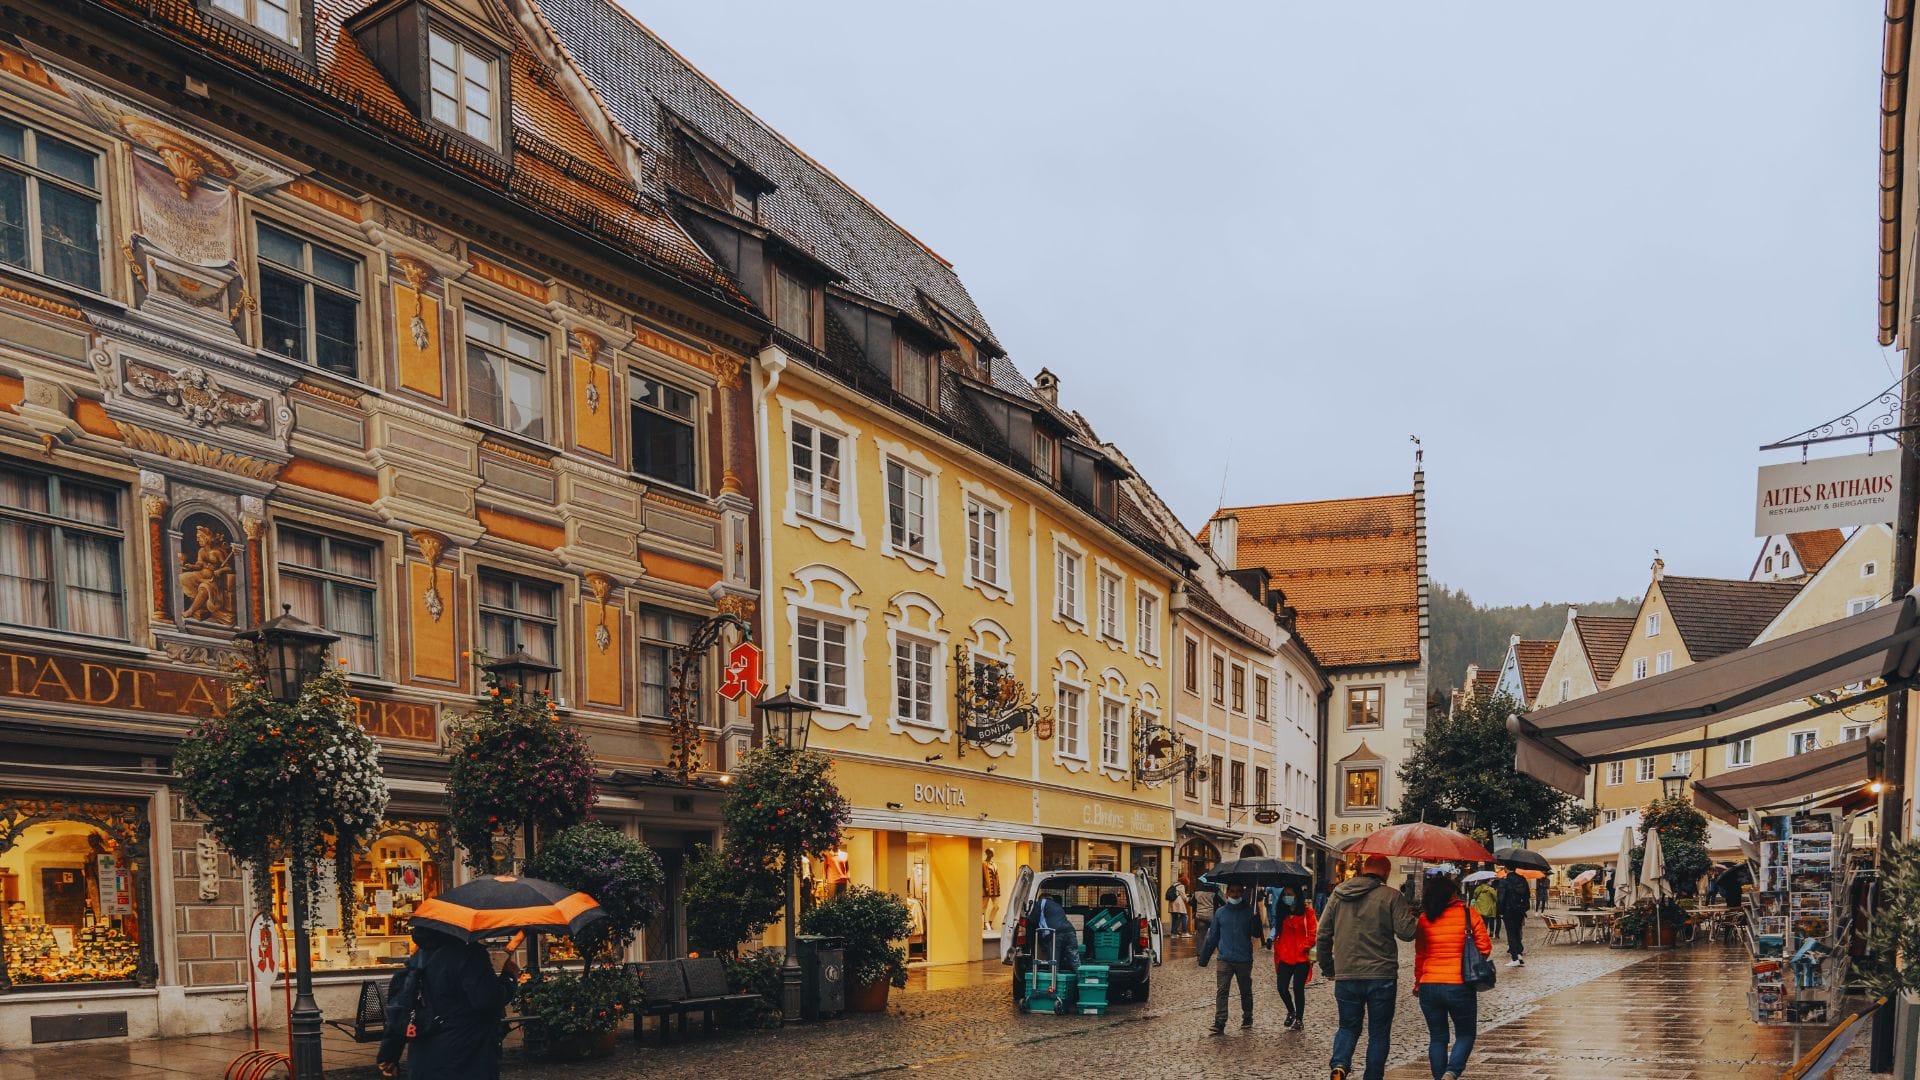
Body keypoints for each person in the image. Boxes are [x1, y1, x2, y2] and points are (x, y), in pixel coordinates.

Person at [1317, 855, 1418, 1080]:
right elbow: (1407, 933)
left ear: (1364, 869)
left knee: (1347, 1027)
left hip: (1347, 974)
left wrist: (1329, 967)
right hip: (1381, 975)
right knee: (1378, 1033)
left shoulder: (1338, 894)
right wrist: (1412, 916)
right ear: (1386, 872)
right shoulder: (1392, 896)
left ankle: (1340, 1065)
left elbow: (1322, 934)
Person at [376, 927, 519, 1079]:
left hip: (425, 1056)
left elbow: (405, 1004)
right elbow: (489, 1001)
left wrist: (389, 1053)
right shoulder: (470, 955)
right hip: (466, 1055)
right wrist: (509, 977)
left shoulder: (420, 956)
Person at [1413, 876, 1491, 1080]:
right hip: (1459, 984)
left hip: (1429, 985)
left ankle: (1440, 1077)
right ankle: (1452, 1072)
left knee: (1437, 1037)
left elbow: (1420, 953)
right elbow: (1484, 947)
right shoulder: (1468, 914)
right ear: (1453, 893)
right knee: (1465, 1034)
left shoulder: (1424, 919)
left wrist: (1418, 982)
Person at [1196, 883, 1264, 1034]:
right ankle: (1220, 1022)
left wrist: (1256, 918)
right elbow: (1213, 936)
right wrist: (1204, 959)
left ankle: (1247, 1016)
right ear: (1227, 893)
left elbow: (1257, 934)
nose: (1235, 895)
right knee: (1222, 991)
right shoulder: (1220, 913)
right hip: (1224, 958)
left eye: (1238, 892)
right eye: (1232, 892)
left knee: (1245, 990)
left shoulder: (1249, 912)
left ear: (1242, 893)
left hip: (1244, 958)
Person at [1271, 882, 1317, 1030]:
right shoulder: (1281, 911)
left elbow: (1313, 930)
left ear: (1297, 895)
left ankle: (1299, 1019)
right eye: (1285, 895)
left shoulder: (1307, 911)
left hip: (1301, 956)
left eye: (1290, 894)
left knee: (1298, 988)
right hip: (1285, 955)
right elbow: (1277, 929)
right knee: (1282, 987)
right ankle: (1291, 1011)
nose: (1287, 897)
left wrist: (1307, 945)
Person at [1497, 869, 1530, 967]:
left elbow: (1501, 898)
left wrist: (1500, 912)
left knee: (1510, 934)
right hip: (1520, 911)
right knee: (1517, 932)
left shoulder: (1504, 881)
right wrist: (1524, 909)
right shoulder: (1522, 880)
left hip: (1509, 910)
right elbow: (1527, 896)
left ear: (1506, 869)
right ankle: (1519, 954)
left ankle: (1515, 958)